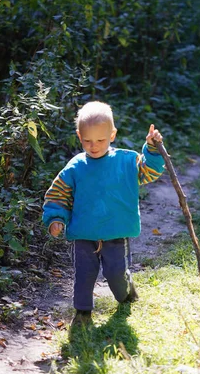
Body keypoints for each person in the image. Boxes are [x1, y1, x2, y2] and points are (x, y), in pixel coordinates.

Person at [42, 101, 165, 326]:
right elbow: (58, 194)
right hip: (84, 234)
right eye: (87, 140)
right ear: (79, 136)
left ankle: (126, 292)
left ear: (112, 134)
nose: (94, 145)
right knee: (84, 275)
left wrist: (153, 149)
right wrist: (56, 218)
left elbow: (151, 171)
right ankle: (82, 312)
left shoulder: (127, 161)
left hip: (116, 233)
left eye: (100, 140)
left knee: (116, 274)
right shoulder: (75, 167)